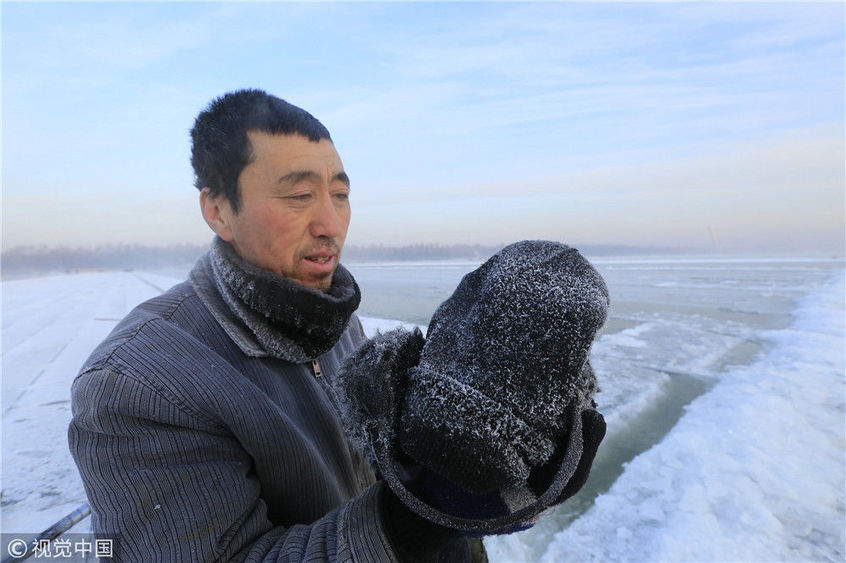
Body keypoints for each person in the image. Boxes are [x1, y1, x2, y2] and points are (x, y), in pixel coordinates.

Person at [69, 89, 606, 562]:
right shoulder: (137, 384)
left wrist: (452, 458)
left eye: (341, 195)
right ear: (219, 211)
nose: (331, 223)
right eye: (299, 196)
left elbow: (374, 468)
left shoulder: (334, 320)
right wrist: (420, 517)